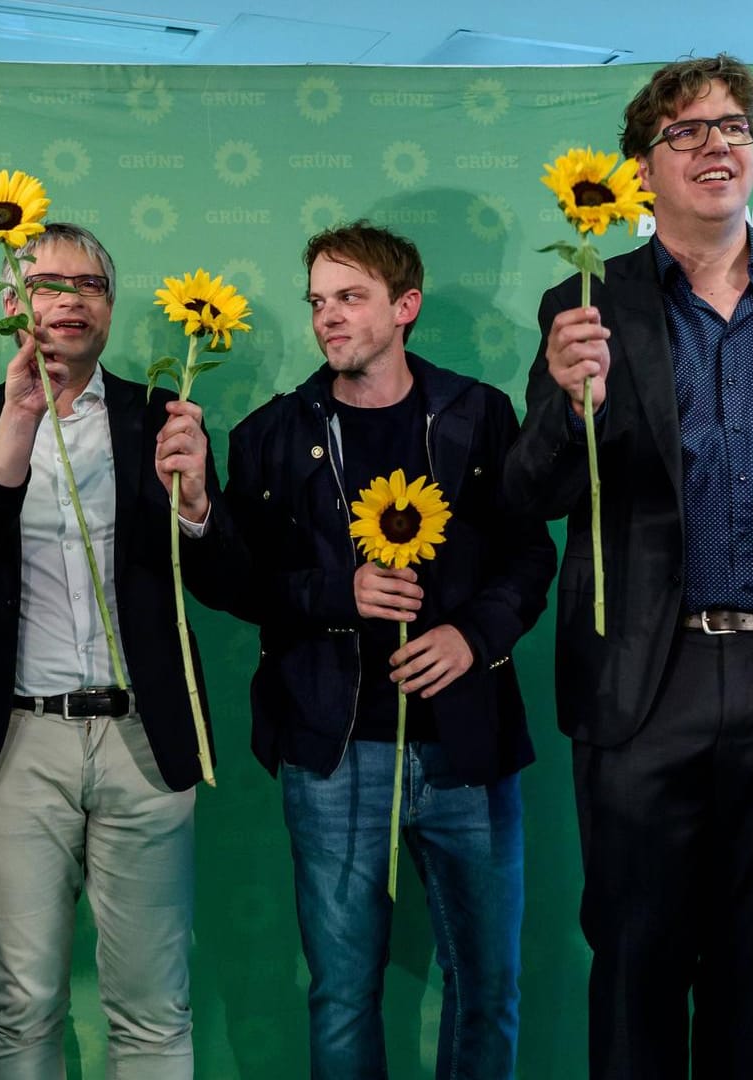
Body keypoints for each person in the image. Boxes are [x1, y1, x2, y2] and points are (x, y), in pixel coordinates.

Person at [503, 53, 753, 1080]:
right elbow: (534, 493)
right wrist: (563, 401)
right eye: (685, 132)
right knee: (636, 957)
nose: (715, 144)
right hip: (645, 678)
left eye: (733, 125)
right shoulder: (585, 299)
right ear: (643, 170)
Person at [218, 222, 555, 1078]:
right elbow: (238, 581)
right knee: (340, 992)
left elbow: (529, 553)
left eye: (351, 297)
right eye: (319, 302)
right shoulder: (269, 434)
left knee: (488, 986)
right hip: (331, 753)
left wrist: (472, 636)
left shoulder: (481, 415)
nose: (329, 318)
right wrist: (340, 595)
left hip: (466, 745)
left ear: (405, 307)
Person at [0, 222, 231, 1079]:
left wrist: (197, 507)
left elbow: (228, 582)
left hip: (145, 742)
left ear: (111, 309)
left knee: (155, 1005)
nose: (70, 300)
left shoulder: (166, 415)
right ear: (12, 304)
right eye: (48, 284)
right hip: (15, 743)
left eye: (90, 286)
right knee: (21, 1002)